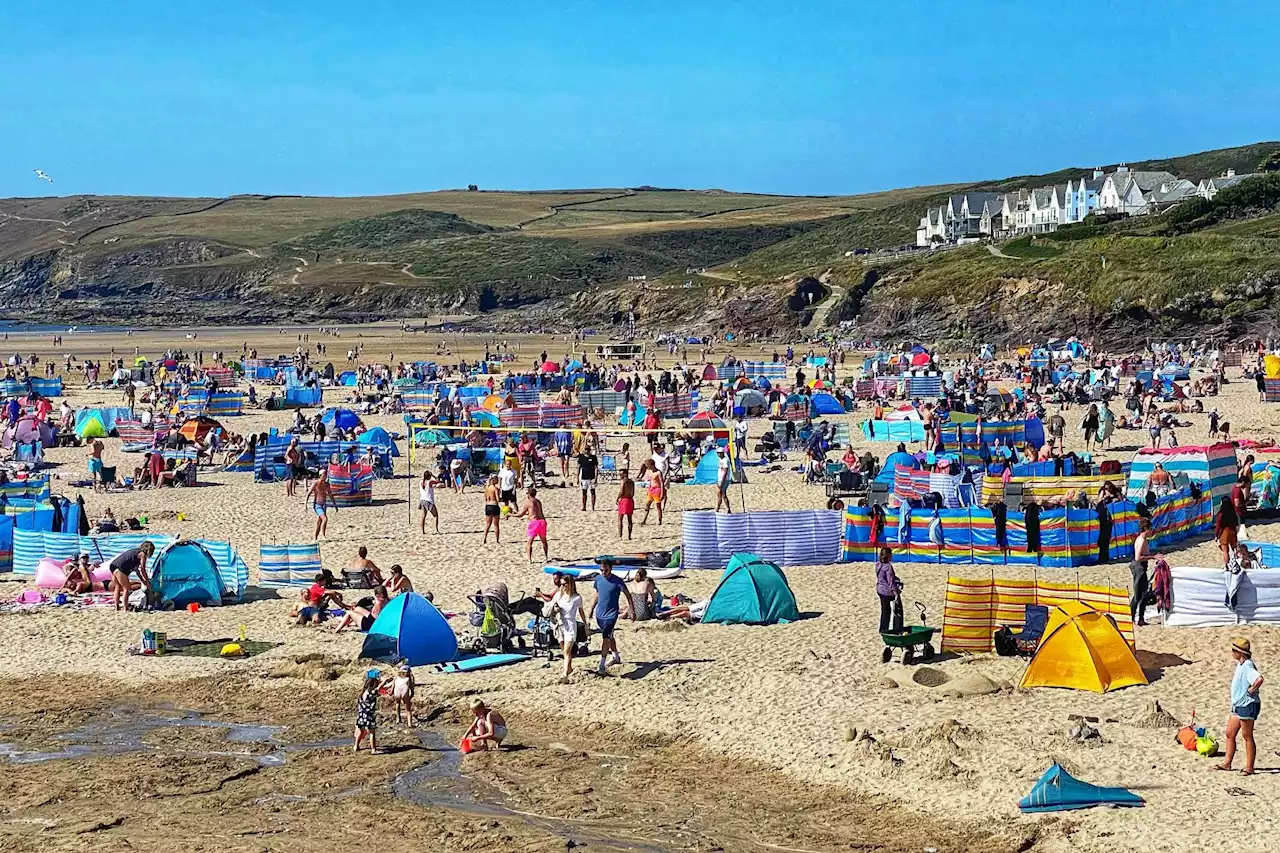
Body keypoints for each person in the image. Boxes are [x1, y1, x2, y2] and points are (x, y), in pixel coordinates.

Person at [1216, 638, 1263, 776]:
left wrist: (1251, 690)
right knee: (1230, 733)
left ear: (1239, 652)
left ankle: (1249, 767)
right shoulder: (1241, 664)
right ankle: (1227, 763)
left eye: (1233, 650)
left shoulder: (1248, 665)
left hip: (1247, 704)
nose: (1231, 653)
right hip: (1238, 704)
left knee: (1247, 736)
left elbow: (1259, 679)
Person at [591, 560, 635, 675]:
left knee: (606, 637)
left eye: (606, 570)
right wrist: (591, 609)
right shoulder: (598, 579)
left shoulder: (617, 581)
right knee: (609, 637)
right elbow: (598, 594)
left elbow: (628, 595)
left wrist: (631, 609)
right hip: (600, 613)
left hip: (611, 615)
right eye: (601, 570)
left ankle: (602, 664)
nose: (603, 572)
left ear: (611, 569)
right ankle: (616, 656)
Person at [543, 575, 587, 681]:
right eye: (561, 584)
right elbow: (551, 607)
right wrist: (555, 610)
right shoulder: (558, 595)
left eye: (564, 584)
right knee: (564, 650)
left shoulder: (577, 598)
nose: (562, 586)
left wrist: (586, 624)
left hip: (571, 625)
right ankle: (569, 668)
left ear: (570, 584)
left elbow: (581, 611)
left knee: (567, 651)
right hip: (560, 624)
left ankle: (564, 674)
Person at [108, 541, 155, 613]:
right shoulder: (142, 555)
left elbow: (137, 571)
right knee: (126, 588)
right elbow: (143, 570)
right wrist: (147, 582)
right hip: (120, 569)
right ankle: (125, 608)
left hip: (113, 566)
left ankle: (116, 607)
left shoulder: (135, 552)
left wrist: (143, 580)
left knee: (117, 587)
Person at [515, 486, 549, 562]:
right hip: (542, 521)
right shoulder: (538, 501)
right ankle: (546, 557)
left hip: (534, 523)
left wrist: (510, 514)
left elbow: (521, 514)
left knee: (529, 542)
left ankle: (529, 559)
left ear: (529, 494)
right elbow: (535, 512)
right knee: (544, 541)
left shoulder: (528, 502)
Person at [1130, 518, 1153, 626]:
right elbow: (1138, 557)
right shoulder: (1142, 540)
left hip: (1141, 567)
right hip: (1139, 568)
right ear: (1146, 529)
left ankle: (1140, 619)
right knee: (1139, 595)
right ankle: (1133, 618)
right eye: (1150, 529)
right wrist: (1152, 557)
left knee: (1143, 594)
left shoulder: (1142, 539)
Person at [875, 547, 902, 633]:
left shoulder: (878, 564)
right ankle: (897, 628)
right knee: (897, 609)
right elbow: (890, 581)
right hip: (887, 592)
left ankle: (883, 629)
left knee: (885, 610)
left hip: (880, 590)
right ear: (888, 555)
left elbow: (883, 577)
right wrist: (896, 592)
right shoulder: (888, 567)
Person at [353, 671, 382, 754]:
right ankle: (374, 749)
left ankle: (356, 746)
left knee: (361, 731)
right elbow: (378, 689)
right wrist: (385, 681)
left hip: (361, 716)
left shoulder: (363, 693)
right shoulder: (370, 692)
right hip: (368, 716)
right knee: (372, 732)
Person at [307, 469, 336, 539]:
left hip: (324, 505)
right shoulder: (316, 483)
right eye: (324, 474)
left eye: (326, 474)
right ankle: (323, 535)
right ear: (320, 476)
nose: (325, 476)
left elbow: (330, 495)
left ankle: (315, 537)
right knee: (325, 519)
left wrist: (335, 505)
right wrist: (305, 505)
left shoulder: (326, 484)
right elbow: (308, 493)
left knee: (319, 522)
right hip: (317, 505)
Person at [1216, 494, 1242, 566]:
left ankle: (1227, 565)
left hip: (1224, 533)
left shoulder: (1221, 514)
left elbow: (1218, 526)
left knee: (1225, 551)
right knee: (1235, 549)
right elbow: (1237, 523)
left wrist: (1216, 535)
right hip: (1232, 531)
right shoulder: (1233, 513)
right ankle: (1238, 562)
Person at [641, 460, 665, 526]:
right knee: (647, 505)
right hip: (651, 489)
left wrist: (662, 493)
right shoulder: (651, 472)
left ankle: (659, 520)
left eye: (648, 465)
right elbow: (651, 481)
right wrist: (648, 490)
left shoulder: (658, 472)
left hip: (657, 489)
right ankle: (644, 520)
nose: (647, 467)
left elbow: (662, 483)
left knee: (658, 506)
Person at [616, 470, 636, 540]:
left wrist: (617, 498)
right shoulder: (631, 482)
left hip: (624, 499)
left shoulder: (623, 481)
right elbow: (633, 493)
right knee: (629, 519)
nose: (620, 476)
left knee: (620, 519)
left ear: (624, 474)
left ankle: (620, 536)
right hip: (630, 500)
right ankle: (629, 536)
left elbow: (621, 491)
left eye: (621, 474)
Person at [482, 475, 501, 544]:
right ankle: (497, 540)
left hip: (488, 505)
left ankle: (484, 538)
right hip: (494, 505)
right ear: (494, 480)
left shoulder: (487, 488)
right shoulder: (495, 489)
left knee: (487, 524)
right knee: (496, 524)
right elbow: (498, 499)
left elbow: (485, 498)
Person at [578, 446, 598, 511]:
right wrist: (577, 478)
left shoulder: (593, 457)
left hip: (591, 477)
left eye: (588, 449)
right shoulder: (581, 457)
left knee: (592, 492)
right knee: (584, 492)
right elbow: (578, 468)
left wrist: (596, 477)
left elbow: (596, 468)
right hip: (584, 477)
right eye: (586, 449)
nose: (587, 451)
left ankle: (593, 507)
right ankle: (584, 507)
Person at [714, 447, 733, 513]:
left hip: (724, 479)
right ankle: (721, 508)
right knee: (720, 494)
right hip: (720, 479)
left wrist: (722, 481)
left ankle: (720, 508)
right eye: (718, 453)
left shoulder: (725, 460)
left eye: (720, 453)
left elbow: (725, 471)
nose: (719, 454)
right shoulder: (721, 460)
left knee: (722, 494)